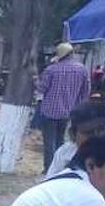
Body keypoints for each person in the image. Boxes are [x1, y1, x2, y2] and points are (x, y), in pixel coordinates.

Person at [38, 42, 90, 174]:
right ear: (72, 53)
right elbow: (85, 92)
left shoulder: (52, 69)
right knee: (60, 140)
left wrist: (34, 79)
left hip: (50, 111)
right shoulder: (82, 69)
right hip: (69, 112)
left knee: (49, 141)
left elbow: (42, 88)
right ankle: (60, 168)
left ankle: (49, 169)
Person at [46, 101, 105, 178]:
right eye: (89, 133)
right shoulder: (64, 153)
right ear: (72, 134)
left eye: (101, 130)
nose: (97, 137)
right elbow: (51, 182)